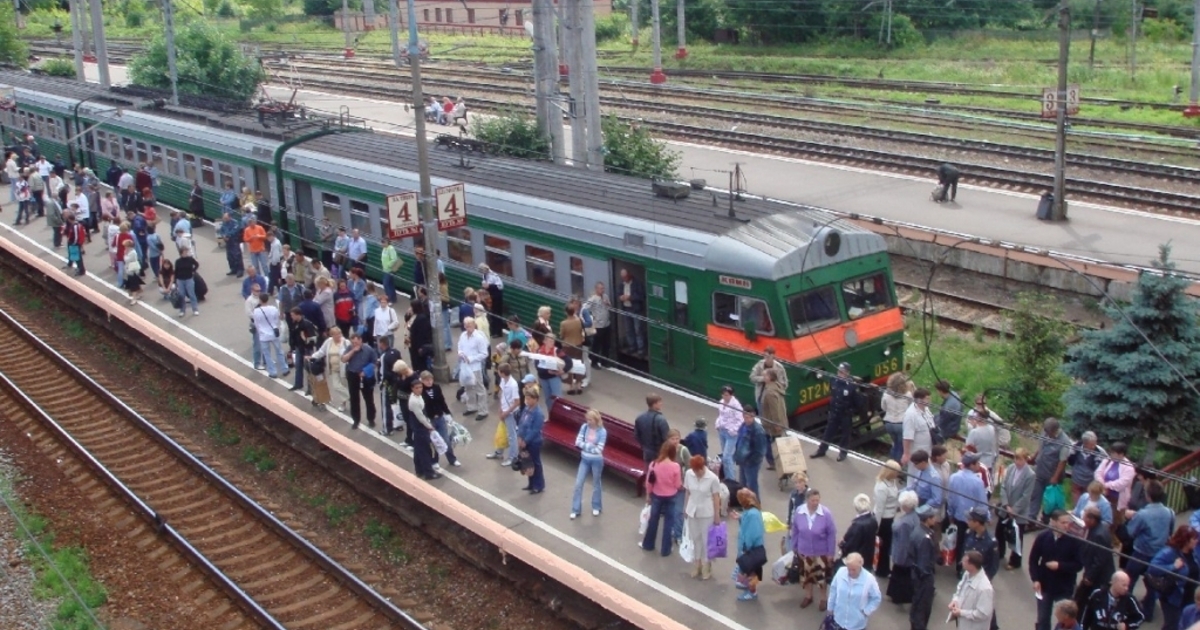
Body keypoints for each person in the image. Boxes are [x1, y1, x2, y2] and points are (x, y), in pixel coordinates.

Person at [1124, 480, 1175, 612]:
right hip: (1159, 554)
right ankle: (1148, 611)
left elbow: (1131, 532)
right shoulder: (1169, 512)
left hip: (1141, 553)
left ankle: (1125, 607)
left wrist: (1131, 518)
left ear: (1148, 496)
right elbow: (1170, 531)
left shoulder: (1143, 514)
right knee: (1153, 583)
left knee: (1129, 580)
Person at [1031, 510, 1084, 630]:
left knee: (1066, 620)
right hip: (1045, 586)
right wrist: (1035, 580)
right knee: (1043, 618)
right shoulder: (1043, 537)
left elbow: (1078, 565)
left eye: (1068, 522)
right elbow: (1033, 560)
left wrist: (1060, 565)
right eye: (1063, 522)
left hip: (1064, 587)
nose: (1067, 525)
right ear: (1054, 522)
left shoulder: (1074, 541)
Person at [791, 488, 837, 610]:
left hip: (821, 553)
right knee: (806, 576)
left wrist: (830, 552)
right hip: (804, 552)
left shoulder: (826, 514)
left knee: (821, 578)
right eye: (813, 500)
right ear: (807, 500)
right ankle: (808, 596)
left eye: (817, 500)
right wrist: (794, 546)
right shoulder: (800, 511)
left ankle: (823, 599)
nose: (815, 503)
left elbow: (831, 534)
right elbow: (795, 530)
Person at [1146, 525, 1199, 629]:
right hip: (1173, 597)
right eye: (1194, 539)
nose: (1197, 541)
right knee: (1172, 625)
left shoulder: (1194, 553)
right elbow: (1152, 568)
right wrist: (1173, 566)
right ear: (1186, 540)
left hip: (1190, 595)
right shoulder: (1169, 552)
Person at [683, 454, 721, 580]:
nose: (695, 473)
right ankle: (697, 563)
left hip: (706, 512)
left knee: (706, 540)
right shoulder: (689, 474)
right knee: (695, 538)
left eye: (697, 470)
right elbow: (688, 492)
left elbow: (716, 497)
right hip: (692, 510)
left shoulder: (712, 478)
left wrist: (717, 515)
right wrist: (685, 508)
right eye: (693, 470)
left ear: (702, 468)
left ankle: (707, 564)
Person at [641, 441, 683, 557]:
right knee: (669, 522)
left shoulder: (654, 464)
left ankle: (648, 544)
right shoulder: (675, 466)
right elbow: (678, 484)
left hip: (656, 495)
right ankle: (666, 549)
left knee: (653, 520)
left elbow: (649, 482)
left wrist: (648, 495)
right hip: (671, 496)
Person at [948, 452, 989, 568]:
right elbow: (982, 503)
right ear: (971, 465)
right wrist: (986, 517)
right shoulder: (977, 482)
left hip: (958, 517)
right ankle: (970, 566)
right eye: (977, 463)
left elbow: (951, 499)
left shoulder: (954, 477)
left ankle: (959, 566)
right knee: (973, 544)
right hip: (974, 520)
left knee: (960, 542)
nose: (979, 465)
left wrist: (950, 515)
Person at [998, 447, 1035, 569]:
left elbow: (1026, 496)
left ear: (1026, 459)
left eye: (1020, 459)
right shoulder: (1011, 469)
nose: (1017, 462)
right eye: (1016, 458)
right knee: (999, 531)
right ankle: (1000, 552)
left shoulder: (1030, 475)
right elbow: (1003, 486)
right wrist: (1006, 504)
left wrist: (1014, 510)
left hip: (1019, 511)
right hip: (1006, 507)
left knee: (1017, 537)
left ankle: (1015, 561)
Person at [1030, 418, 1073, 525]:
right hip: (1040, 470)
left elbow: (1062, 461)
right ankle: (1031, 519)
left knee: (1050, 499)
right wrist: (1033, 457)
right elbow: (1040, 447)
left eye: (1048, 432)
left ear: (1054, 430)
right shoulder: (1045, 433)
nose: (1046, 434)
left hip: (1052, 474)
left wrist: (1055, 477)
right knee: (1035, 495)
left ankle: (1046, 520)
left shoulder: (1065, 441)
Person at [1074, 506, 1115, 614]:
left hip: (1098, 578)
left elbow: (1100, 560)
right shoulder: (1096, 529)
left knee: (1082, 600)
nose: (1082, 519)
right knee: (1079, 599)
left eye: (1085, 517)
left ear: (1092, 520)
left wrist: (1090, 576)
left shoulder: (1099, 535)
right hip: (1093, 574)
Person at [813, 362, 857, 462]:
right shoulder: (833, 380)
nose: (840, 374)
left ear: (847, 373)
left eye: (842, 372)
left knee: (845, 434)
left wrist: (851, 411)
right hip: (834, 411)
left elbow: (856, 400)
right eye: (839, 371)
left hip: (845, 413)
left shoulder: (851, 385)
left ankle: (843, 453)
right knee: (828, 432)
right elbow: (833, 394)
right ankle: (821, 450)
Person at [828, 552, 882, 630]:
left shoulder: (869, 579)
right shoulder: (840, 572)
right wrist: (830, 607)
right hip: (839, 619)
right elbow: (833, 589)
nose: (851, 572)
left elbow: (876, 598)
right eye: (849, 569)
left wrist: (866, 611)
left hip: (857, 624)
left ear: (860, 565)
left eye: (854, 569)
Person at [570, 409, 607, 520]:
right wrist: (591, 446)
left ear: (596, 420)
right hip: (584, 459)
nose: (588, 422)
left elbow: (599, 449)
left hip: (597, 461)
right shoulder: (584, 427)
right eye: (587, 419)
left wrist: (585, 445)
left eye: (590, 420)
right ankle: (575, 509)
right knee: (578, 484)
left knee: (596, 483)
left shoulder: (602, 432)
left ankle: (596, 506)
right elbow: (577, 442)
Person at [910, 504, 941, 630]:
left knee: (918, 606)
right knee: (922, 609)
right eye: (933, 517)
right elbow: (923, 563)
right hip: (923, 578)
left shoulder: (918, 530)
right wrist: (927, 578)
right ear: (927, 519)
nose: (935, 519)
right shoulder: (925, 538)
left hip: (916, 573)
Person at [1081, 570, 1145, 630]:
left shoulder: (1129, 599)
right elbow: (1086, 615)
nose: (1126, 588)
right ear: (1114, 582)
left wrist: (1127, 625)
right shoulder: (1097, 595)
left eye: (1127, 585)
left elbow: (1140, 617)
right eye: (1124, 585)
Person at [734, 488, 767, 602]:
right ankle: (750, 590)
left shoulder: (752, 514)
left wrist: (745, 548)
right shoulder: (751, 511)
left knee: (750, 571)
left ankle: (752, 592)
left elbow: (752, 533)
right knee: (750, 571)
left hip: (751, 549)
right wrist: (740, 517)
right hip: (751, 548)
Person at [887, 490, 920, 604]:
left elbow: (903, 543)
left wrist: (899, 559)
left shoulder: (905, 523)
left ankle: (899, 597)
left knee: (901, 577)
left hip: (903, 554)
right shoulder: (914, 516)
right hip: (910, 554)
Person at [950, 550, 995, 630]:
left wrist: (961, 612)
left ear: (972, 565)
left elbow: (982, 614)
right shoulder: (967, 573)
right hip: (964, 624)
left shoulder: (985, 589)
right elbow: (960, 588)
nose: (961, 562)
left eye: (964, 561)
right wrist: (955, 600)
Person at [340, 334, 378, 430]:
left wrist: (366, 371)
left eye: (356, 342)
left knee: (369, 399)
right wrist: (353, 351)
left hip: (365, 376)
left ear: (361, 340)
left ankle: (371, 419)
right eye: (353, 342)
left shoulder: (368, 349)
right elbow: (343, 359)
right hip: (353, 375)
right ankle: (356, 420)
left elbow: (375, 362)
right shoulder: (350, 348)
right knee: (354, 399)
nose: (354, 344)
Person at [874, 460, 903, 578]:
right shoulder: (882, 487)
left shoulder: (891, 482)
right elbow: (880, 508)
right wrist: (876, 525)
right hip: (884, 520)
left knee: (886, 546)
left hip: (890, 517)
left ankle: (884, 568)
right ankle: (881, 569)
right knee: (883, 546)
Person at [310, 327, 350, 412]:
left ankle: (343, 404)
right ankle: (351, 397)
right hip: (333, 369)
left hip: (344, 369)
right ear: (332, 335)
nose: (338, 336)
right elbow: (321, 352)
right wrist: (312, 356)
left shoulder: (346, 342)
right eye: (336, 334)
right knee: (337, 386)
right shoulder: (328, 342)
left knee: (344, 386)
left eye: (340, 333)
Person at [407, 379, 441, 480]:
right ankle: (428, 472)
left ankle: (419, 470)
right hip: (419, 426)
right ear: (412, 389)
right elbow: (420, 417)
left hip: (418, 426)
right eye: (417, 388)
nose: (419, 390)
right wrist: (429, 426)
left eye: (420, 387)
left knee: (418, 449)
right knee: (425, 450)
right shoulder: (414, 401)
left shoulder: (417, 397)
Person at [251, 293, 289, 379]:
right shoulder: (273, 309)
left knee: (267, 354)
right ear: (267, 299)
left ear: (260, 300)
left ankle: (272, 371)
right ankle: (284, 369)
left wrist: (260, 331)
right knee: (279, 351)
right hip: (274, 333)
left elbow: (256, 323)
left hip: (263, 335)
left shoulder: (257, 311)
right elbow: (277, 319)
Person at [1094, 442, 1137, 515]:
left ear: (1121, 454)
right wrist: (1101, 483)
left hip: (1116, 499)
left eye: (1114, 453)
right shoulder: (1107, 460)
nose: (1111, 455)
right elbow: (1098, 472)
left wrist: (1106, 485)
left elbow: (1122, 483)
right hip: (1103, 494)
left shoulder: (1129, 467)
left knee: (1113, 520)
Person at [840, 493, 879, 573]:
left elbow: (851, 545)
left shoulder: (857, 525)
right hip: (868, 557)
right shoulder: (873, 520)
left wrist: (842, 545)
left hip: (857, 560)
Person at [734, 403, 767, 498]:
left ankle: (756, 506)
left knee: (752, 486)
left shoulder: (758, 431)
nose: (747, 419)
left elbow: (760, 451)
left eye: (749, 417)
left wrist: (751, 461)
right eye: (745, 417)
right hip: (742, 461)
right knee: (743, 485)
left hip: (751, 463)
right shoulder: (743, 426)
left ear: (753, 416)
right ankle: (745, 504)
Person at [516, 388, 546, 494]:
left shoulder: (538, 413)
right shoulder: (526, 409)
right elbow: (521, 423)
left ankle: (538, 485)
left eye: (529, 399)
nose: (527, 401)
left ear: (536, 399)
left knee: (535, 463)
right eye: (526, 398)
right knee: (527, 463)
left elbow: (535, 430)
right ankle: (531, 484)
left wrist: (526, 440)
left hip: (534, 442)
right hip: (523, 440)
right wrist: (519, 436)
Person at [901, 388, 935, 477]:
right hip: (916, 451)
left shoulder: (926, 409)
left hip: (927, 450)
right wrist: (906, 453)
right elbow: (907, 436)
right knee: (915, 475)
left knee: (926, 475)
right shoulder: (911, 414)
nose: (929, 401)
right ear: (919, 400)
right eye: (927, 399)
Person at [758, 370, 788, 470]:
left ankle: (773, 462)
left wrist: (776, 424)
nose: (763, 376)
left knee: (768, 444)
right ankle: (780, 461)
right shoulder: (777, 386)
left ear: (770, 378)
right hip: (776, 422)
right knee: (777, 442)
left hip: (771, 425)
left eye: (765, 375)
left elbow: (774, 410)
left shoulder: (770, 393)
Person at [881, 372, 913, 462]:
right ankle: (897, 466)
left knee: (895, 444)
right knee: (900, 446)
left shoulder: (886, 394)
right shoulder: (908, 395)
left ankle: (891, 462)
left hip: (889, 423)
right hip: (901, 423)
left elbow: (883, 407)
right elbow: (911, 407)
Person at [714, 385, 744, 480]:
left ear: (731, 395)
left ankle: (731, 478)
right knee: (726, 455)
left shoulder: (736, 405)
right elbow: (721, 416)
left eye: (727, 395)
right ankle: (727, 476)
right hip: (722, 431)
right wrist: (717, 424)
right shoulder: (721, 402)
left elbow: (740, 420)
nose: (724, 397)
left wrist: (733, 430)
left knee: (727, 456)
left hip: (731, 434)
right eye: (723, 394)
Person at [287, 307, 319, 394]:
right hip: (298, 347)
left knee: (309, 369)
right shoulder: (294, 323)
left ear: (298, 315)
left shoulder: (307, 324)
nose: (291, 317)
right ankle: (298, 384)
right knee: (298, 366)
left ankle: (310, 388)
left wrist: (305, 339)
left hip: (307, 349)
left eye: (293, 315)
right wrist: (292, 345)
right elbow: (292, 335)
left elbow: (313, 339)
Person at [1069, 432, 1107, 504]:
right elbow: (1070, 459)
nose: (1094, 446)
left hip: (1090, 480)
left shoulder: (1100, 451)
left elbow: (1106, 464)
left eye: (1095, 443)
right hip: (1077, 478)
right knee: (1075, 494)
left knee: (1088, 498)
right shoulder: (1076, 447)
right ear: (1085, 443)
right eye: (1092, 444)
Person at [965, 397, 1000, 473]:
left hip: (978, 464)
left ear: (978, 417)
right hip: (990, 463)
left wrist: (974, 427)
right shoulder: (992, 429)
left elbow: (968, 448)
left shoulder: (974, 432)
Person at [634, 394, 670, 466]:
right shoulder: (661, 420)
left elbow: (637, 435)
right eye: (659, 402)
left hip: (647, 451)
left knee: (648, 472)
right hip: (659, 453)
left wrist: (644, 446)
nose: (661, 404)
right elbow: (666, 438)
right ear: (654, 404)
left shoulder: (640, 418)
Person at [617, 268, 645, 357]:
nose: (624, 279)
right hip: (626, 308)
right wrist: (620, 297)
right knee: (629, 329)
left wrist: (630, 297)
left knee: (638, 330)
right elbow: (618, 293)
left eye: (625, 277)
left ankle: (641, 348)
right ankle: (632, 346)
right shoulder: (622, 284)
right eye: (623, 277)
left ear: (629, 275)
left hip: (635, 309)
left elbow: (642, 296)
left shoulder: (637, 283)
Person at [584, 282, 612, 368]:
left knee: (606, 344)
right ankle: (594, 362)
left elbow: (610, 307)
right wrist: (591, 319)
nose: (602, 290)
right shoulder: (592, 299)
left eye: (603, 288)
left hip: (606, 324)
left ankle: (605, 361)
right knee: (597, 345)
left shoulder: (605, 296)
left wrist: (607, 303)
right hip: (598, 326)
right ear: (596, 289)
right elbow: (585, 308)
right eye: (600, 288)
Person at [479, 263, 505, 337]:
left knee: (497, 314)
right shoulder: (485, 275)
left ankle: (498, 332)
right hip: (491, 296)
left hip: (497, 297)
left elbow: (500, 286)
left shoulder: (493, 275)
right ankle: (493, 331)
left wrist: (489, 286)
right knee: (492, 314)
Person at [174, 248, 200, 316]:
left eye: (186, 252)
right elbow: (176, 271)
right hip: (180, 280)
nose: (186, 253)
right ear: (181, 253)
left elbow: (197, 264)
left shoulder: (190, 259)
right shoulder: (178, 261)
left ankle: (195, 309)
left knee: (191, 294)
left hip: (189, 279)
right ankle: (182, 310)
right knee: (181, 295)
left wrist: (193, 271)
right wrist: (175, 280)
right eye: (184, 252)